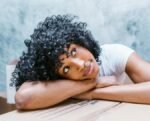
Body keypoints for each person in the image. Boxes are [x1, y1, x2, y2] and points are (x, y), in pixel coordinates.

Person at [11, 15, 150, 110]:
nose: (80, 65)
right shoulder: (56, 80)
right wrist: (95, 82)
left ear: (82, 42)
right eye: (66, 69)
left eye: (73, 51)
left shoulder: (113, 54)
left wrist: (94, 93)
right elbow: (23, 99)